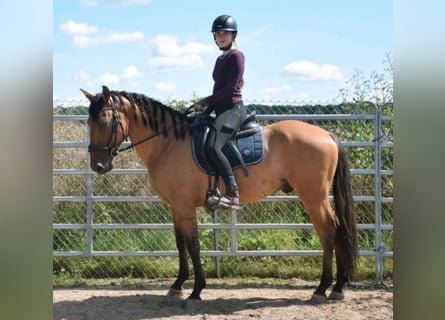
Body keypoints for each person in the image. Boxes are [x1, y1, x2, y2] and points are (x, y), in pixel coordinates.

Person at [190, 14, 247, 210]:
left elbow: (231, 90)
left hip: (233, 110)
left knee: (213, 146)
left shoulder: (237, 56)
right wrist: (206, 108)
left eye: (225, 33)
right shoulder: (220, 59)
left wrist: (206, 100)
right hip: (221, 109)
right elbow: (218, 90)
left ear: (233, 35)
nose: (221, 36)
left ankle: (232, 193)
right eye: (218, 33)